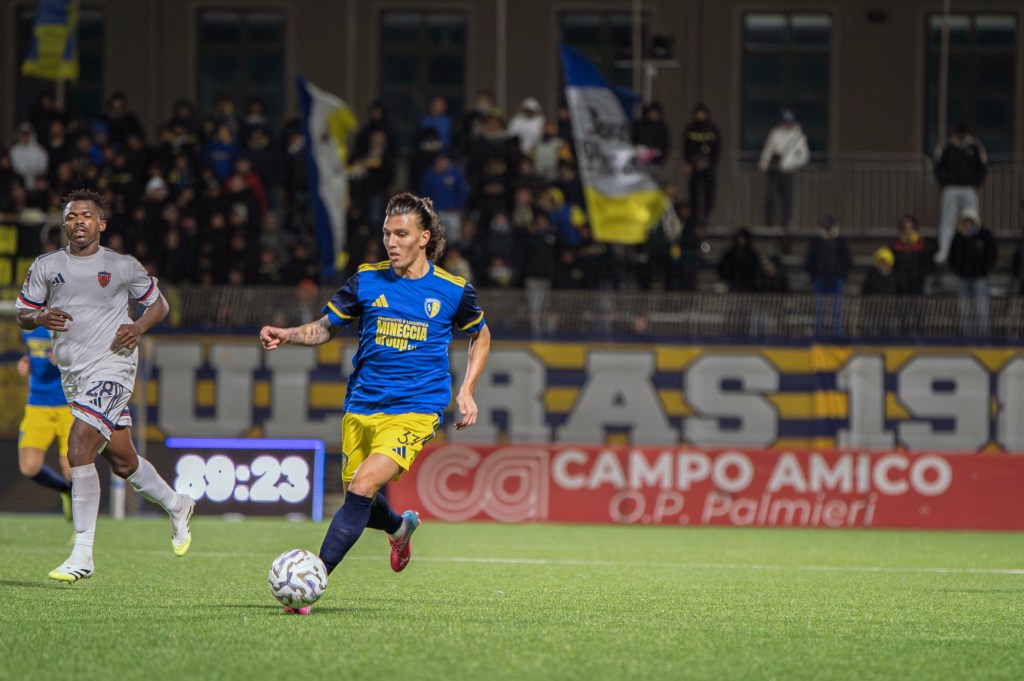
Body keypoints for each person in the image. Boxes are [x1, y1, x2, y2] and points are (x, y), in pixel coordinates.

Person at [259, 192, 491, 614]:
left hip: (416, 408)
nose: (391, 242)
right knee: (359, 497)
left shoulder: (453, 290)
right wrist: (289, 334)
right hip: (362, 405)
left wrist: (467, 390)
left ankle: (311, 580)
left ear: (424, 237)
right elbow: (326, 327)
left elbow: (481, 334)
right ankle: (400, 528)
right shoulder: (366, 280)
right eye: (387, 233)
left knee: (363, 486)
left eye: (401, 234)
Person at [16, 189, 195, 583]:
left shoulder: (122, 266)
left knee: (78, 444)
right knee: (123, 461)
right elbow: (22, 312)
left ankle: (82, 554)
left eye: (86, 215)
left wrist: (138, 327)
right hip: (74, 376)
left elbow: (159, 304)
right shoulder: (46, 266)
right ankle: (177, 503)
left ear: (101, 224)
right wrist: (39, 317)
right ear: (64, 225)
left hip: (114, 366)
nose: (78, 221)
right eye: (71, 216)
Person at [17, 326, 73, 519]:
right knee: (29, 467)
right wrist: (26, 362)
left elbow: (88, 351)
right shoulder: (27, 321)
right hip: (37, 404)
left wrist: (66, 359)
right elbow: (32, 351)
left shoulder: (66, 320)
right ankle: (65, 489)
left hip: (69, 405)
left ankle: (82, 526)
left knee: (71, 467)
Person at [934, 122, 987, 264]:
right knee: (947, 219)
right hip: (951, 188)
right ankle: (944, 249)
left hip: (969, 188)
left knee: (972, 218)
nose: (961, 136)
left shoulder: (975, 146)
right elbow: (938, 166)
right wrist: (944, 182)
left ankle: (972, 247)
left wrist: (976, 183)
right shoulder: (947, 146)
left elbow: (982, 166)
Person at [947, 208, 997, 337]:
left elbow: (992, 254)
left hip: (979, 278)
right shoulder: (958, 238)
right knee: (965, 309)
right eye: (966, 222)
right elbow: (952, 257)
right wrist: (958, 270)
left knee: (981, 308)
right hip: (963, 279)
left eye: (970, 222)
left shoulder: (984, 236)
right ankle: (967, 336)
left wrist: (985, 270)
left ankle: (982, 336)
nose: (968, 225)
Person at [757, 110, 809, 229]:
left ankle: (785, 223)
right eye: (786, 121)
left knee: (787, 197)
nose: (787, 124)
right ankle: (769, 222)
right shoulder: (775, 133)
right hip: (774, 168)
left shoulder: (798, 137)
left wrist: (792, 163)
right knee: (770, 196)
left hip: (788, 170)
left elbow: (804, 156)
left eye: (789, 121)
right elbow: (768, 149)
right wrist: (763, 164)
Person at [806, 214, 850, 337]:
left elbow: (847, 260)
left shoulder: (840, 241)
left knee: (837, 310)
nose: (827, 229)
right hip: (819, 279)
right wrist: (814, 276)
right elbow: (810, 260)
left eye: (829, 226)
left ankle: (836, 335)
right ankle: (818, 334)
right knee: (819, 310)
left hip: (836, 279)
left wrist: (842, 276)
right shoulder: (816, 242)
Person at [682, 103, 720, 222]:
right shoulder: (691, 129)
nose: (700, 116)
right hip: (694, 163)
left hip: (708, 164)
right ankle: (694, 216)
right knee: (694, 191)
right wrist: (688, 162)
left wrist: (712, 161)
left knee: (709, 191)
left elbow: (717, 147)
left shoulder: (712, 129)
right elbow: (686, 147)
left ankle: (707, 215)